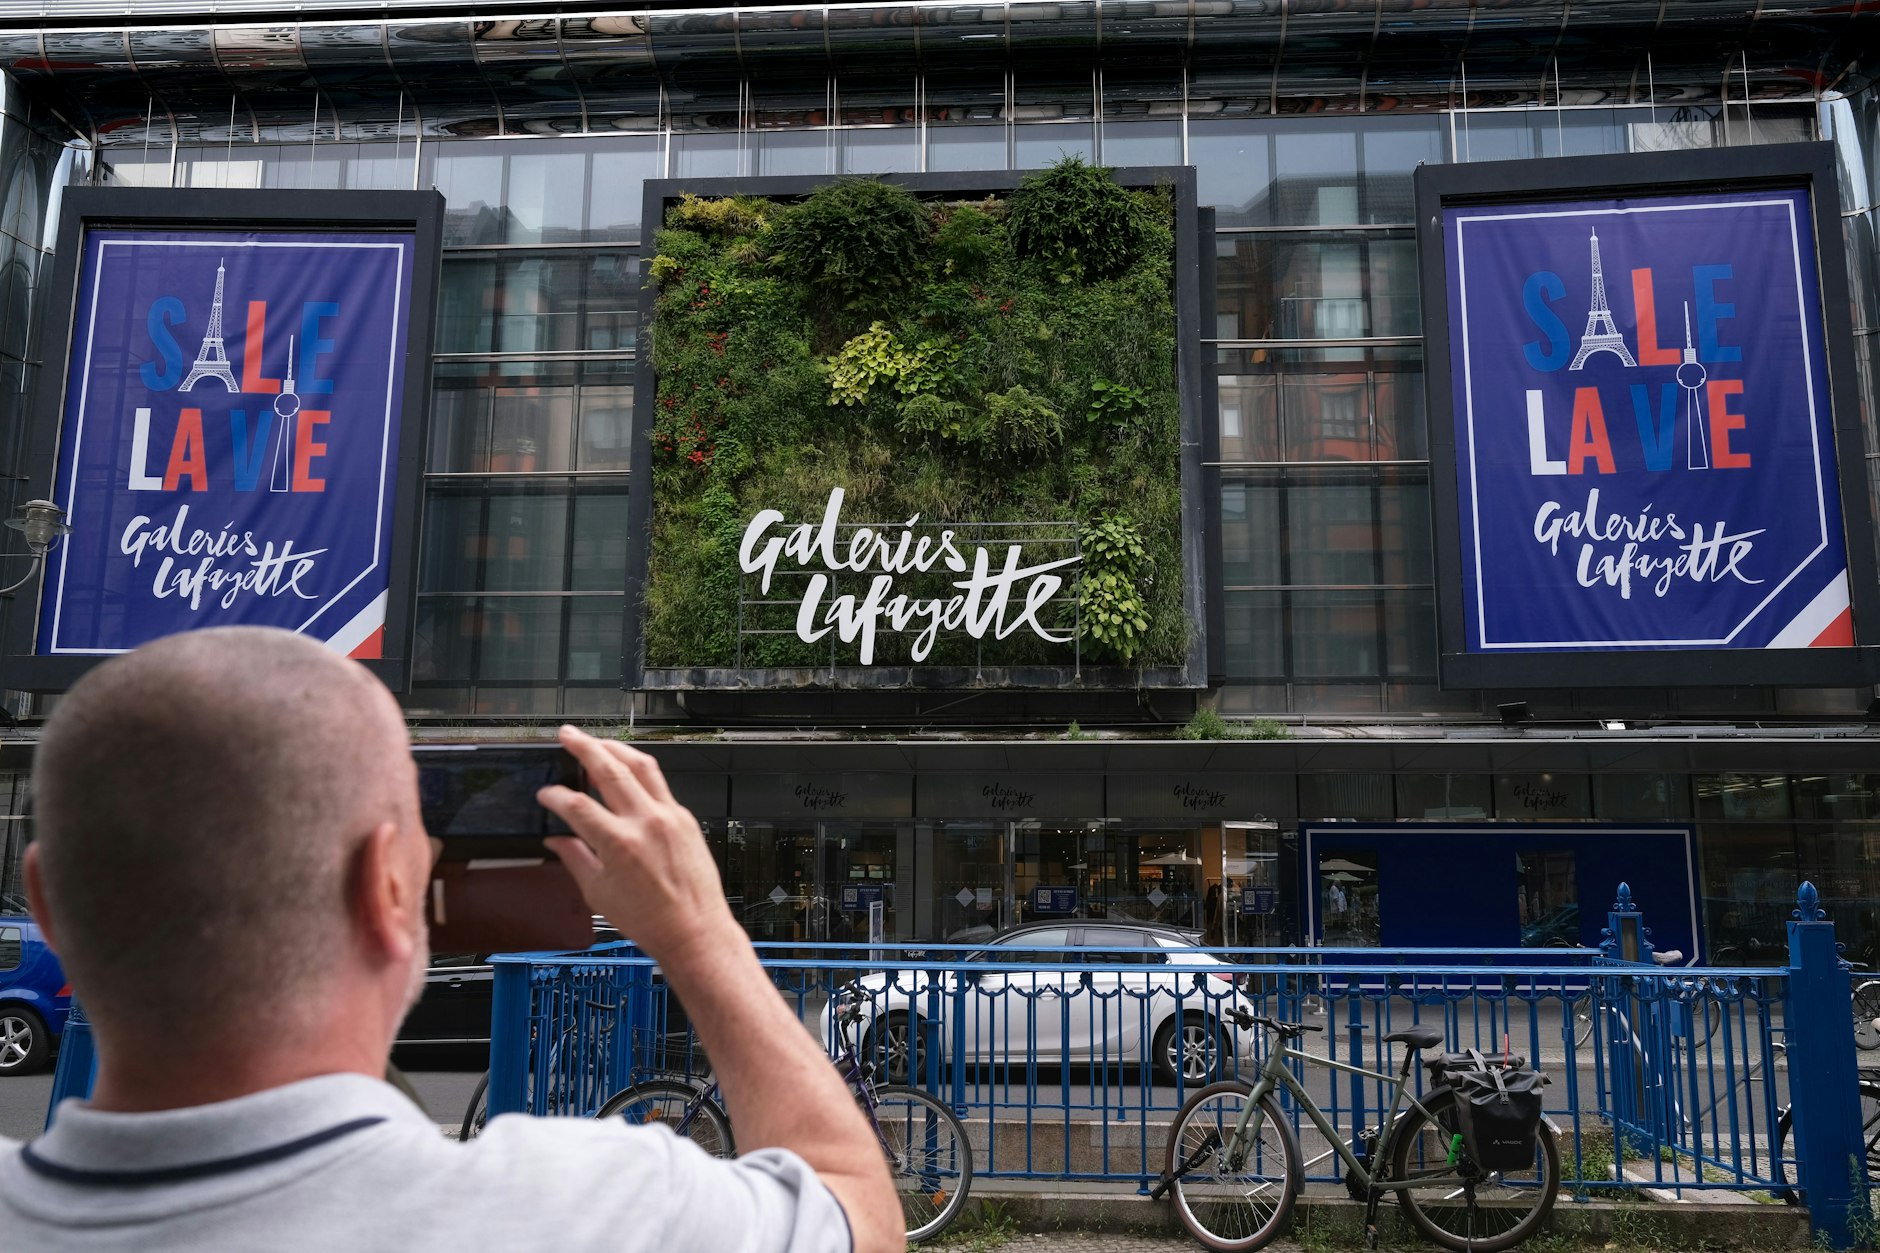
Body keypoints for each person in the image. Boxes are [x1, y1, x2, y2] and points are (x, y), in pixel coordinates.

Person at [0, 627, 902, 1253]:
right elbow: (857, 1207)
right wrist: (699, 932)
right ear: (389, 885)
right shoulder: (598, 1210)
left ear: (47, 905)